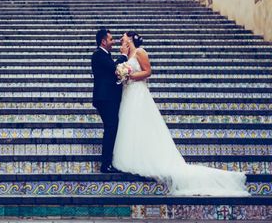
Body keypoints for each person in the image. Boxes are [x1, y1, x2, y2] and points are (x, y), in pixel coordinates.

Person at [113, 32, 250, 196]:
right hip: (128, 94)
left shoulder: (140, 52)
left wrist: (130, 75)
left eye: (124, 36)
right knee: (131, 125)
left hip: (138, 93)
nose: (121, 39)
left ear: (130, 39)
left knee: (142, 123)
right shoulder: (126, 55)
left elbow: (148, 71)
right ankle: (133, 157)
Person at [91, 28, 128, 173]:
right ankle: (106, 164)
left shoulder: (105, 54)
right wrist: (124, 55)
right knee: (111, 128)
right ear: (103, 41)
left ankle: (108, 162)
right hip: (105, 98)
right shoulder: (98, 55)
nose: (113, 42)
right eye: (111, 39)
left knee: (111, 128)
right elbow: (114, 68)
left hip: (108, 98)